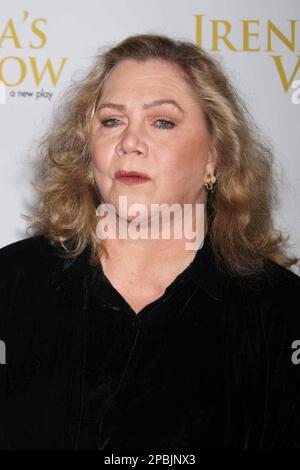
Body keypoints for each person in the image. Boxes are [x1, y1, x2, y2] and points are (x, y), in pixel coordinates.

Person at [0, 33, 300, 450]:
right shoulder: (11, 284)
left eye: (162, 122)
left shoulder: (280, 311)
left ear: (214, 154)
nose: (129, 144)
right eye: (111, 121)